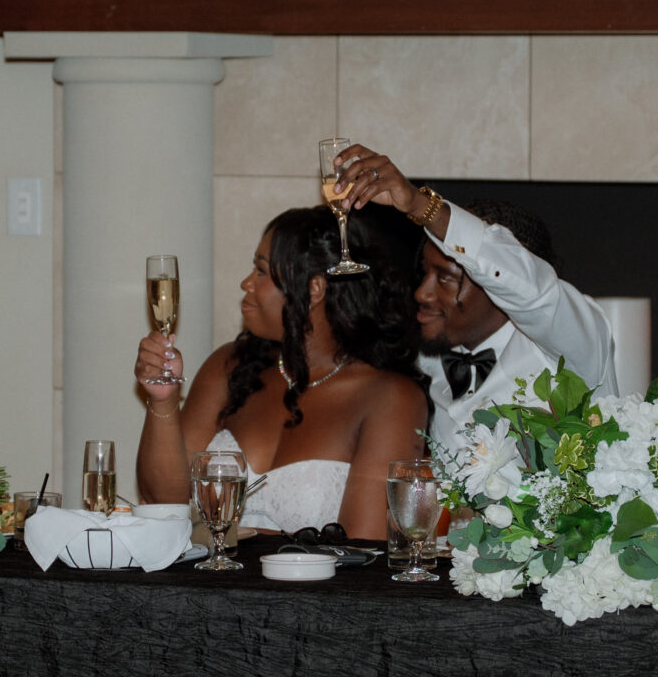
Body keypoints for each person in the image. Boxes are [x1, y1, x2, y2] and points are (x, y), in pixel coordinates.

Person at [134, 205, 429, 540]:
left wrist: (225, 538)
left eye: (261, 272)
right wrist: (163, 401)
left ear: (314, 289)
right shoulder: (230, 366)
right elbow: (162, 504)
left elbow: (363, 546)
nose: (245, 283)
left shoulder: (390, 398)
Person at [333, 144, 618, 457]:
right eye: (424, 273)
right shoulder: (428, 356)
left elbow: (532, 288)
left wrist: (420, 205)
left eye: (445, 279)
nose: (421, 293)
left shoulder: (573, 345)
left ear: (499, 286)